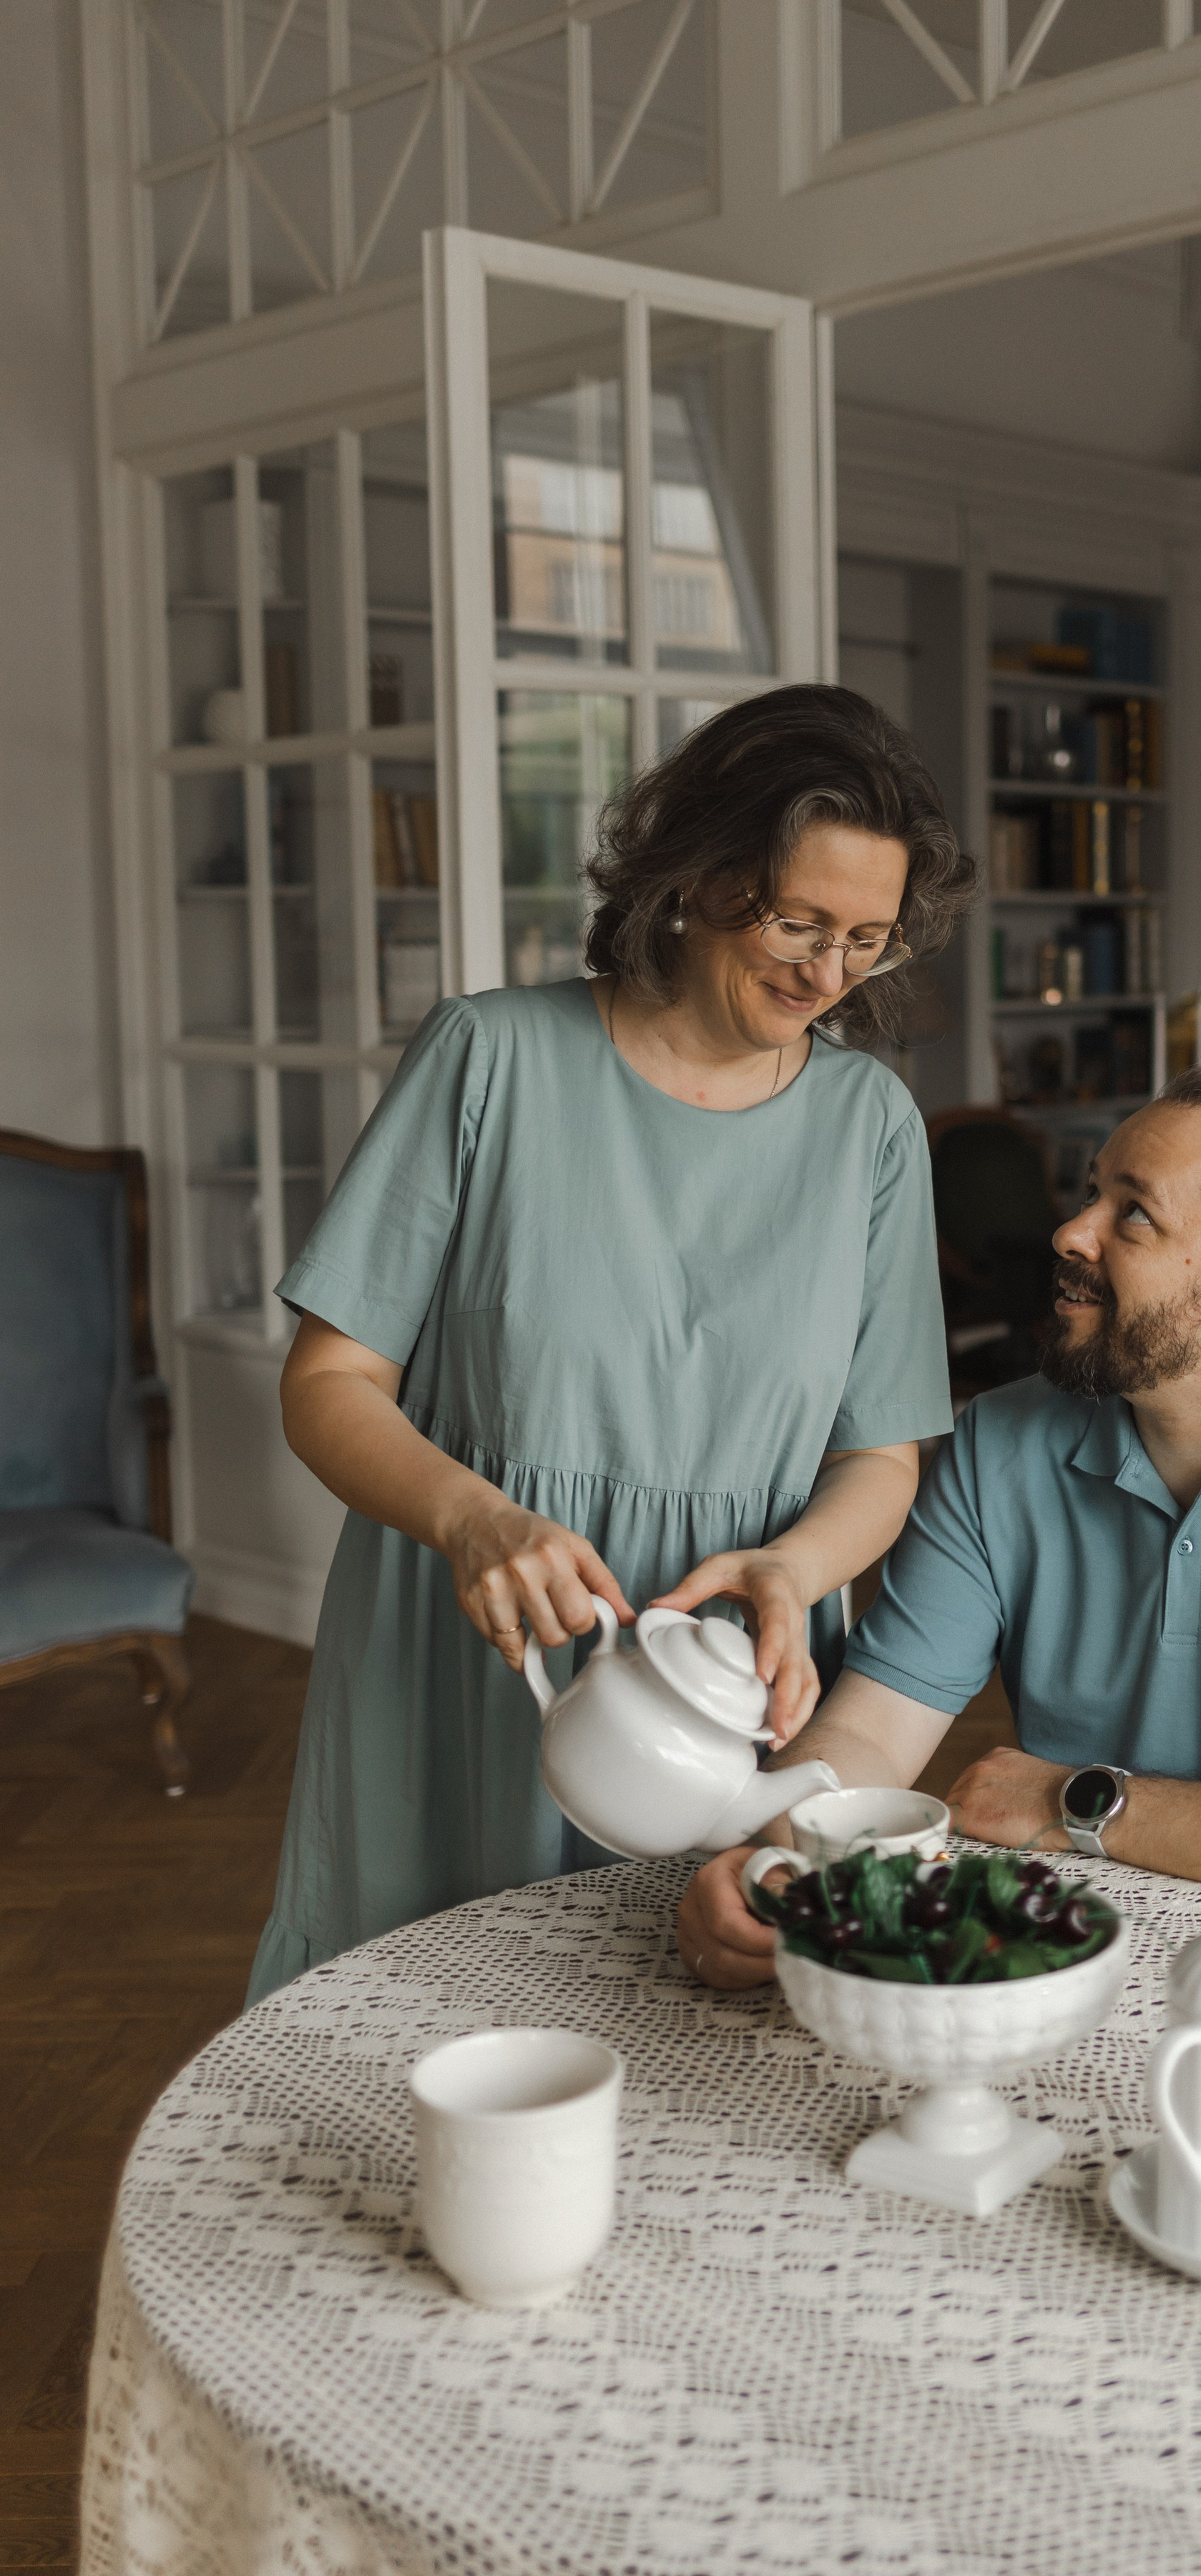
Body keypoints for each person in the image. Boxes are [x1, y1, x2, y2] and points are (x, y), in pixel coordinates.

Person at [247, 687, 976, 2003]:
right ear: (696, 877)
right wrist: (473, 1519)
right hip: (470, 1648)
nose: (829, 973)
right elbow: (328, 1385)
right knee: (407, 2045)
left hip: (715, 1694)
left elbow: (883, 1456)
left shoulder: (870, 1127)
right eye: (800, 920)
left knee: (688, 2045)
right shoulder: (490, 1058)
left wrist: (791, 1567)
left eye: (866, 940)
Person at [677, 1066, 1201, 1990]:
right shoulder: (1000, 1441)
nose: (1069, 1234)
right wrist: (784, 1855)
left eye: (1135, 1216)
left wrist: (1073, 1798)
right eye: (1090, 1194)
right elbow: (873, 1732)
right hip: (1095, 1962)